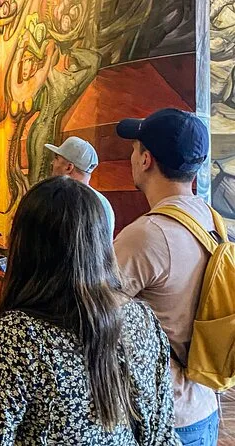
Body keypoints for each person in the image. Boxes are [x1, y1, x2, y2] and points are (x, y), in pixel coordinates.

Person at [0, 176, 180, 445]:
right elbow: (160, 432)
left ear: (25, 246)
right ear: (100, 243)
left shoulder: (21, 334)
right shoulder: (141, 318)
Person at [113, 108, 219, 445]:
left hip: (164, 418)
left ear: (146, 160)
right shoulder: (211, 219)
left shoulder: (148, 235)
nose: (132, 157)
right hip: (205, 407)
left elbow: (90, 309)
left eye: (135, 149)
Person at [45, 136, 116, 238]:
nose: (52, 163)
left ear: (69, 167)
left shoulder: (59, 200)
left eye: (56, 158)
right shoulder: (104, 204)